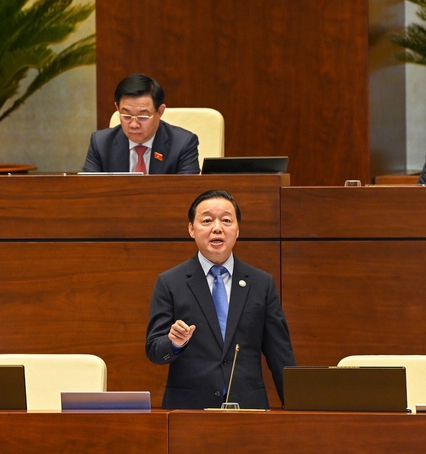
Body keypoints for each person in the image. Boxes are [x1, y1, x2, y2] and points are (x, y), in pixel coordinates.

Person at [145, 189, 295, 409]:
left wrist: (297, 408)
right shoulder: (170, 282)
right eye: (207, 220)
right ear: (191, 229)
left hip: (248, 408)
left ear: (237, 230)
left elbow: (280, 355)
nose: (217, 228)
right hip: (188, 410)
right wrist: (174, 343)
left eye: (226, 220)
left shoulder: (261, 283)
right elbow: (154, 350)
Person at [82, 73, 200, 174]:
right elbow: (88, 189)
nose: (134, 125)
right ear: (117, 108)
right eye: (126, 116)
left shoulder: (183, 144)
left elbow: (188, 191)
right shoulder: (101, 143)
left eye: (143, 117)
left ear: (160, 111)